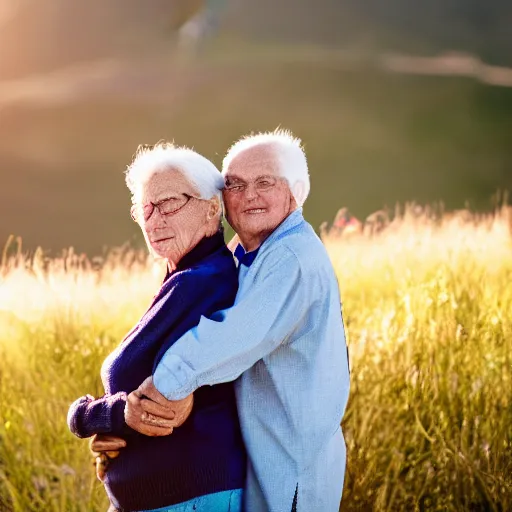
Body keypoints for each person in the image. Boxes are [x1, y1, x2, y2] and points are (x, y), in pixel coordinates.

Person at [129, 130, 351, 511]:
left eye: (265, 182)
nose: (248, 195)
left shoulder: (291, 258)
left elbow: (233, 337)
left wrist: (161, 394)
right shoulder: (246, 254)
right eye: (234, 184)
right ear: (221, 199)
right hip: (260, 463)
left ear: (295, 192)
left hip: (291, 476)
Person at [67, 142, 246, 512]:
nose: (153, 219)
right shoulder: (182, 278)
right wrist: (112, 421)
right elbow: (131, 405)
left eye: (168, 204)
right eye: (145, 208)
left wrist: (86, 415)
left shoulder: (200, 282)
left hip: (188, 496)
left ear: (212, 208)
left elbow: (147, 399)